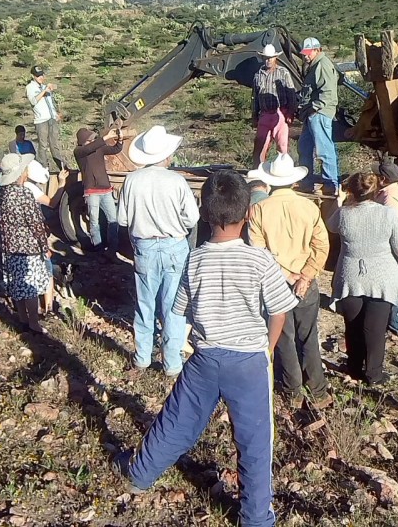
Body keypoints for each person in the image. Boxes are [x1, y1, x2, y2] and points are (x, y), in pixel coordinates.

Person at [115, 170, 298, 527]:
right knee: (255, 442)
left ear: (204, 212)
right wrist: (268, 348)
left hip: (205, 357)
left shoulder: (195, 259)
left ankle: (140, 473)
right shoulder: (260, 260)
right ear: (248, 213)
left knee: (176, 421)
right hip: (248, 361)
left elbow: (180, 309)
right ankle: (256, 518)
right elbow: (280, 310)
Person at [248, 153, 331, 408]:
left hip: (276, 282)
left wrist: (286, 274)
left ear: (269, 181)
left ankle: (292, 390)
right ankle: (318, 390)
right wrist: (305, 276)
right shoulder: (309, 207)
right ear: (295, 182)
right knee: (308, 336)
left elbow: (258, 250)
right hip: (306, 282)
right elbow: (321, 246)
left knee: (284, 337)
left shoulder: (260, 209)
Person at [117, 125, 199, 377]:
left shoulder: (131, 180)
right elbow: (193, 217)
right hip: (174, 244)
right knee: (174, 305)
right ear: (165, 155)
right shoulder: (176, 180)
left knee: (145, 303)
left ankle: (142, 356)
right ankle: (172, 362)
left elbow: (123, 220)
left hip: (145, 246)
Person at [327, 172, 398, 385]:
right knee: (375, 330)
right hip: (383, 278)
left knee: (353, 326)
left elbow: (330, 226)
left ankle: (354, 367)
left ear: (351, 190)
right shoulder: (389, 215)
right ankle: (374, 374)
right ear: (376, 189)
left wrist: (339, 200)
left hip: (350, 276)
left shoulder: (343, 214)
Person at [0, 153, 51, 333]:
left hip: (10, 246)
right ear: (22, 172)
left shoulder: (3, 194)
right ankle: (34, 323)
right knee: (31, 285)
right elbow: (36, 223)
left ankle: (22, 318)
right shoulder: (24, 194)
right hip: (28, 247)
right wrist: (45, 246)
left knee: (17, 283)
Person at [368, 157, 398, 338]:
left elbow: (391, 226)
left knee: (395, 287)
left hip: (390, 248)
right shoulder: (391, 192)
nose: (374, 177)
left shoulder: (390, 199)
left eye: (377, 175)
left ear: (383, 179)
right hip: (391, 247)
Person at [298, 37, 340, 193]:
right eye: (305, 53)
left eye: (308, 53)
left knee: (324, 150)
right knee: (304, 147)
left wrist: (314, 108)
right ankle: (306, 182)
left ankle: (331, 185)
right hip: (313, 113)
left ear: (317, 50)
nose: (305, 56)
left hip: (319, 113)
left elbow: (327, 92)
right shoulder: (315, 65)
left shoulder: (322, 65)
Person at [74, 127, 123, 255]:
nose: (92, 140)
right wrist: (106, 138)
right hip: (92, 191)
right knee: (94, 222)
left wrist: (120, 139)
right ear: (83, 140)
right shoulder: (79, 151)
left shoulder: (98, 148)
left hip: (105, 190)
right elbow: (88, 148)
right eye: (89, 138)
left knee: (113, 220)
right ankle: (99, 250)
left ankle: (112, 251)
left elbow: (116, 149)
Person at [252, 44, 297, 167]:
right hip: (264, 114)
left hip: (281, 113)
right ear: (262, 58)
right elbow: (255, 97)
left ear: (275, 58)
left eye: (270, 58)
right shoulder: (258, 75)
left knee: (282, 146)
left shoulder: (283, 73)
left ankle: (284, 171)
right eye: (266, 58)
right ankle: (258, 173)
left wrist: (290, 112)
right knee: (260, 145)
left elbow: (291, 93)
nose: (268, 60)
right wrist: (254, 115)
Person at [24, 159, 59, 315]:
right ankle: (49, 306)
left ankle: (30, 308)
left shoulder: (13, 187)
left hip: (22, 236)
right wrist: (62, 184)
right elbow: (51, 203)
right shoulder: (31, 188)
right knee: (47, 269)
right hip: (35, 234)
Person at [25, 65, 64, 173]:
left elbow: (50, 103)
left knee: (54, 144)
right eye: (38, 76)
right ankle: (43, 167)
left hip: (51, 118)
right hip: (41, 120)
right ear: (33, 76)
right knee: (43, 144)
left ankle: (62, 167)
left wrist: (56, 114)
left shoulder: (45, 86)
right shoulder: (30, 87)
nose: (41, 77)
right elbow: (33, 101)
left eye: (42, 75)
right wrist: (44, 91)